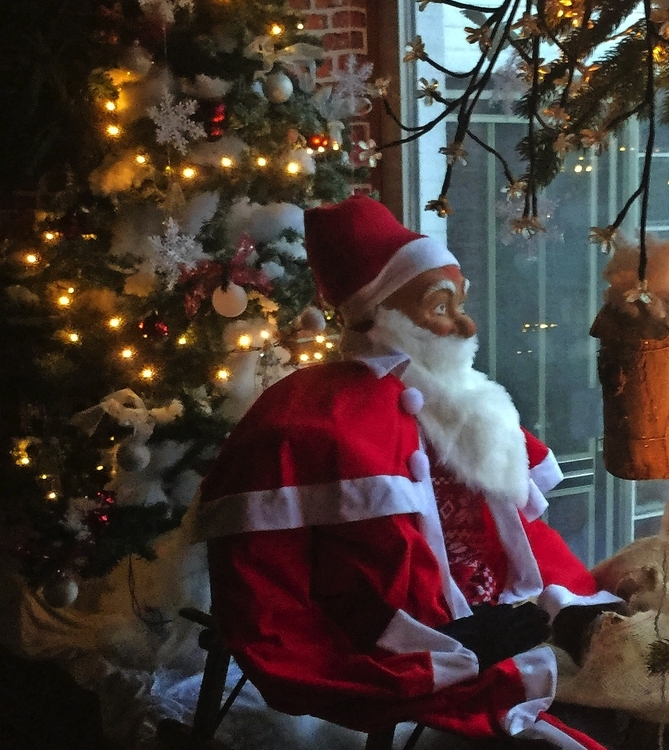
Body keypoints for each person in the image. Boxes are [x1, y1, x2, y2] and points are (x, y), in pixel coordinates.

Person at [194, 195, 622, 750]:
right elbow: (267, 594)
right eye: (440, 306)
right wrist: (445, 649)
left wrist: (572, 604)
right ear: (377, 314)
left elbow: (520, 535)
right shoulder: (306, 420)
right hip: (407, 644)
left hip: (507, 615)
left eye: (460, 303)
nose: (465, 324)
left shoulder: (466, 404)